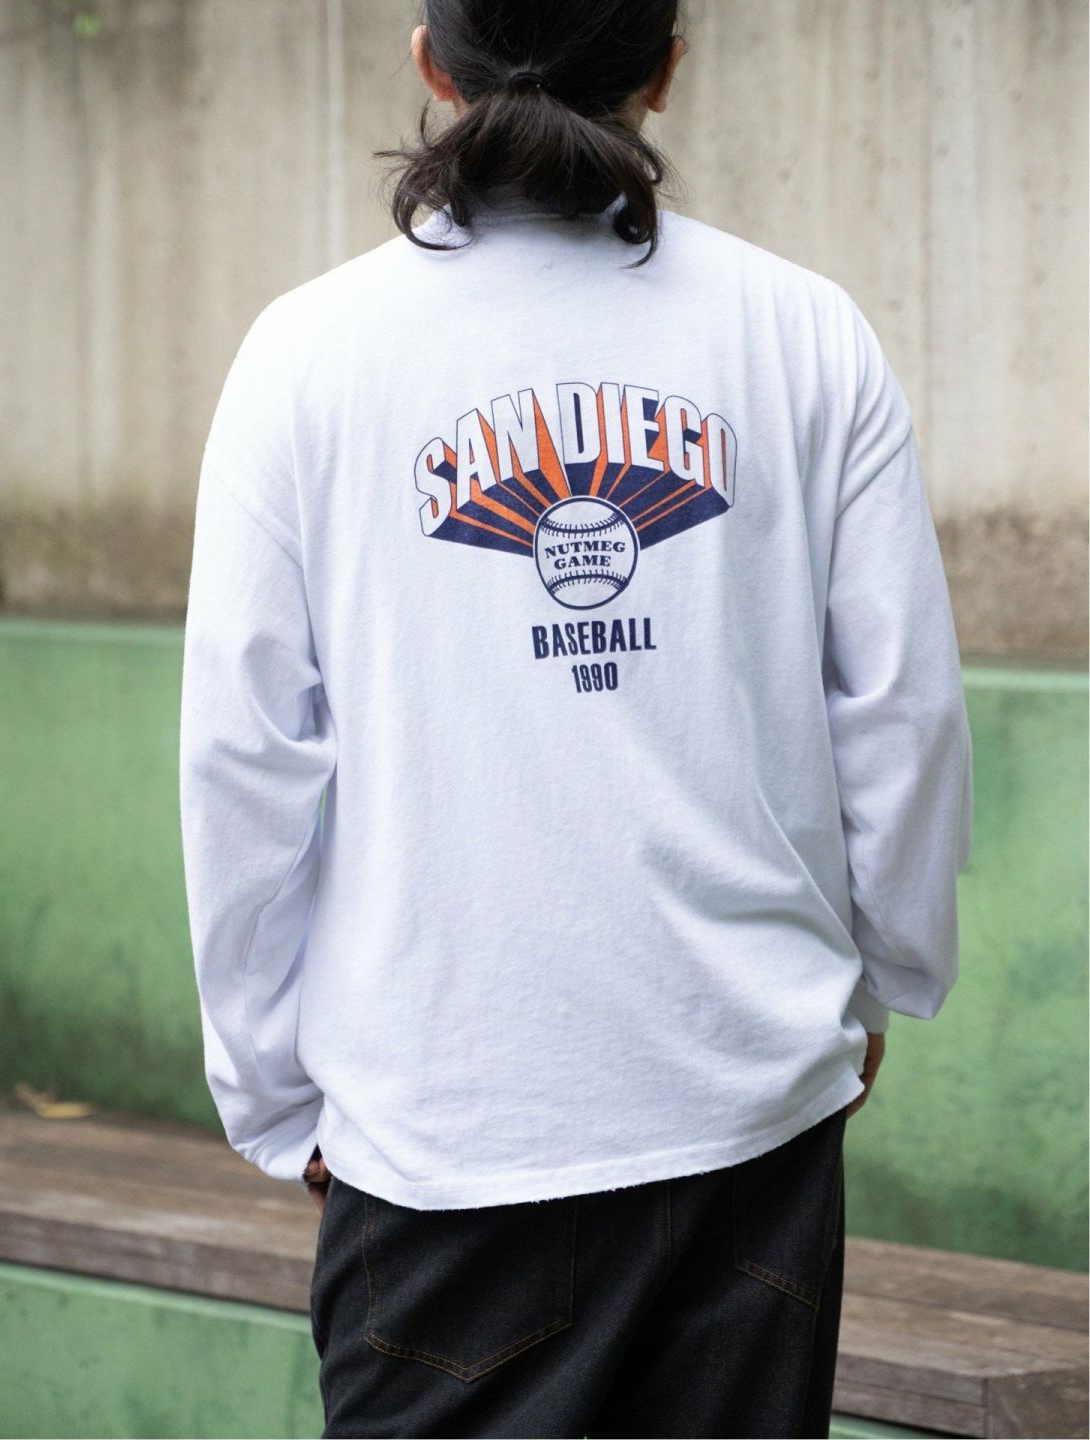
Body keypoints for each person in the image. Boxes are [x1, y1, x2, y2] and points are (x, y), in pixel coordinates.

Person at [178, 1, 974, 1435]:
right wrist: (878, 983)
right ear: (666, 67)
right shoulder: (803, 331)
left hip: (443, 1135)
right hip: (751, 1114)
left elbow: (245, 762)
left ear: (432, 63)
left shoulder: (305, 356)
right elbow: (902, 710)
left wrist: (273, 1098)